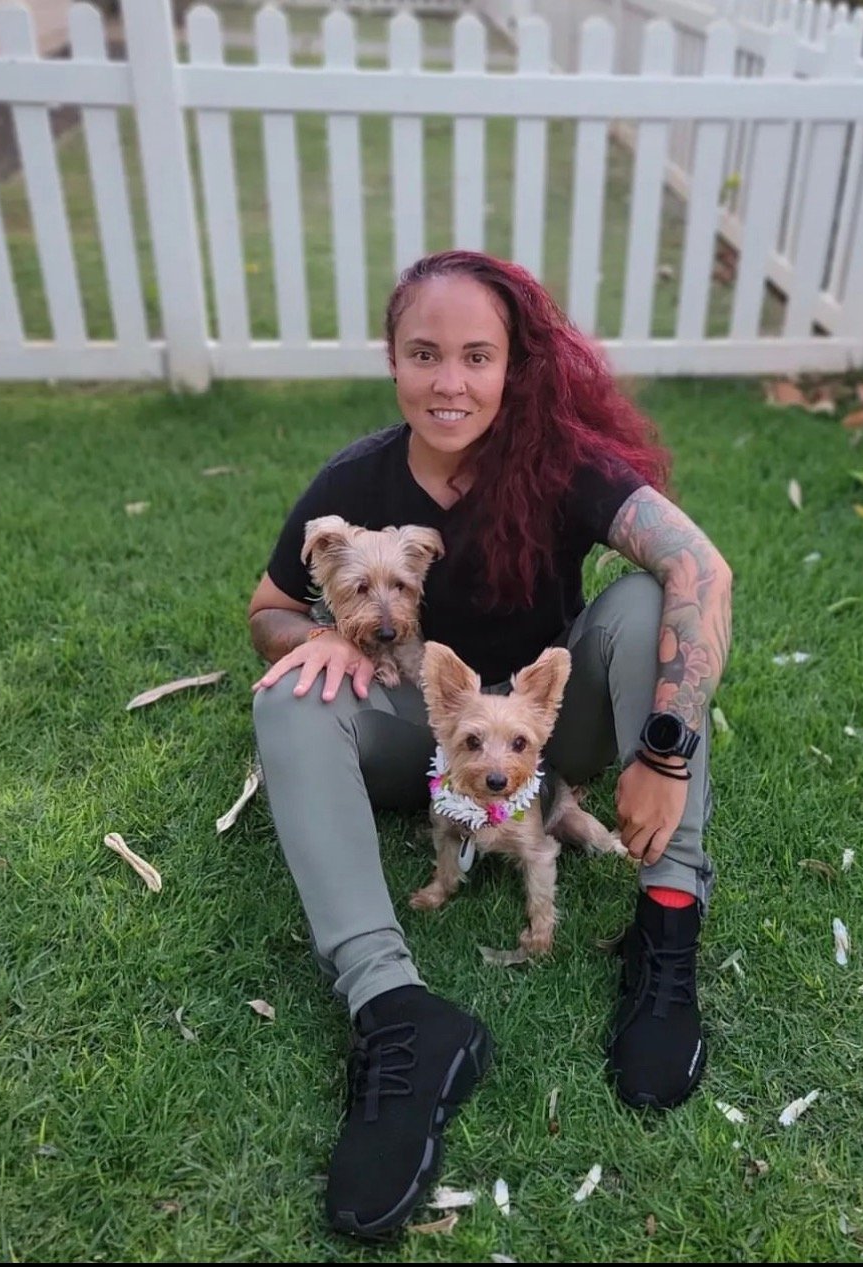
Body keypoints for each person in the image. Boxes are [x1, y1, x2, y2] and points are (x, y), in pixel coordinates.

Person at [247, 250, 732, 1240]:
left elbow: (701, 567)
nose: (450, 382)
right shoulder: (358, 477)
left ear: (514, 366)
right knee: (289, 697)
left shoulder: (561, 464)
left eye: (477, 355)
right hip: (414, 744)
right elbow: (267, 608)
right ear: (392, 360)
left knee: (651, 598)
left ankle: (668, 919)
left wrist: (665, 752)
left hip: (553, 739)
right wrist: (323, 638)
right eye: (425, 354)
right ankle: (397, 1013)